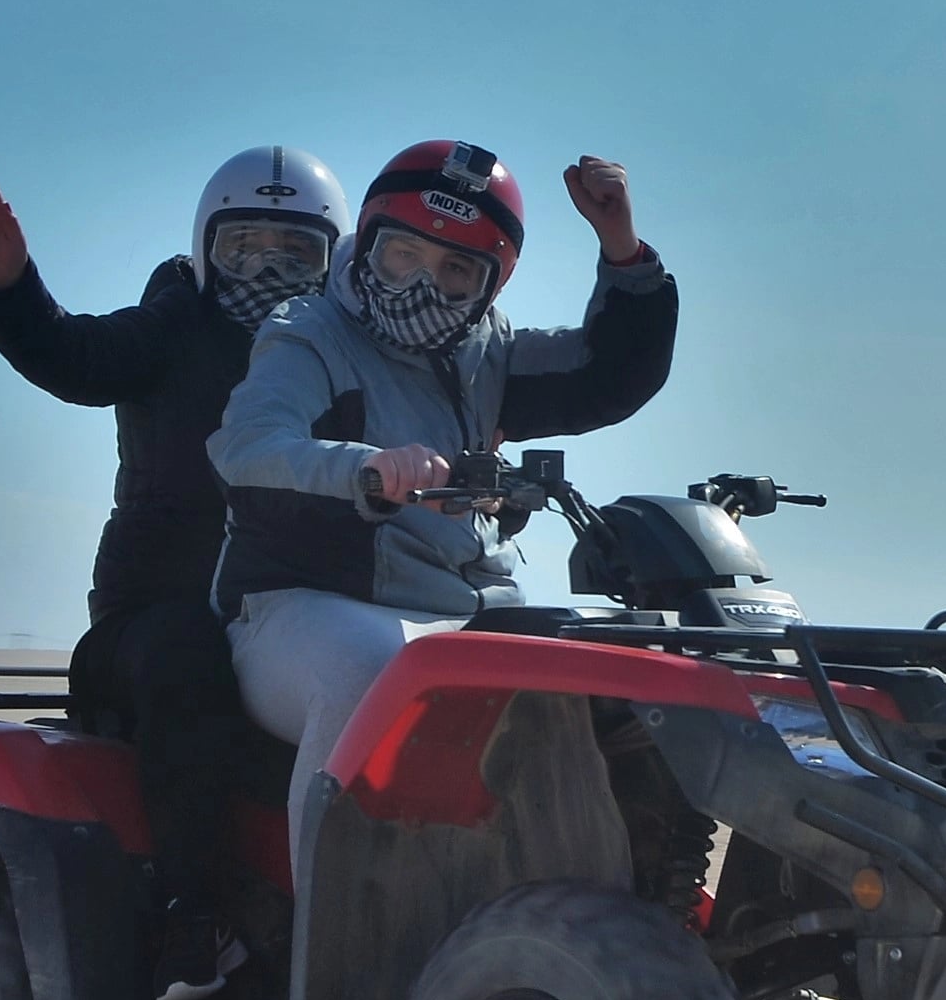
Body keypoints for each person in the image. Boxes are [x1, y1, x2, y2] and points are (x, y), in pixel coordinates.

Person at [0, 144, 350, 1000]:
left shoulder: (341, 357)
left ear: (335, 260)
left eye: (294, 254)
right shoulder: (174, 326)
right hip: (148, 623)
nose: (265, 273)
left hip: (288, 615)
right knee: (186, 653)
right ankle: (192, 922)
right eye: (244, 248)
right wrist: (11, 288)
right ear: (206, 248)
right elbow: (75, 355)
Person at [207, 140, 675, 870]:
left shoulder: (488, 350)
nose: (421, 286)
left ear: (491, 285)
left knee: (620, 674)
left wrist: (622, 249)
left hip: (462, 606)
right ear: (369, 238)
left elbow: (610, 374)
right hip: (300, 605)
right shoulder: (309, 331)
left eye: (457, 270)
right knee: (368, 671)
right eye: (404, 255)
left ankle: (623, 895)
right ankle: (337, 927)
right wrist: (367, 468)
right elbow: (249, 444)